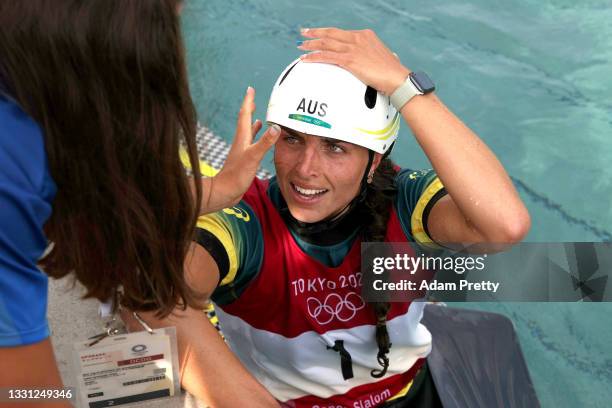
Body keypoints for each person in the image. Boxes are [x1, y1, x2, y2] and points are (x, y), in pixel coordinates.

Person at [125, 27, 531, 407]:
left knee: (572, 276)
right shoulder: (242, 223)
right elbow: (148, 295)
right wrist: (213, 194)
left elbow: (504, 226)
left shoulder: (404, 201)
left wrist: (405, 87)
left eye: (335, 147)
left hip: (410, 393)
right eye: (292, 139)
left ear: (374, 162)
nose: (305, 168)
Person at [0, 0, 279, 399]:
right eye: (169, 26)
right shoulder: (10, 190)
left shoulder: (33, 107)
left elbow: (101, 175)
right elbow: (25, 395)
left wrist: (222, 188)